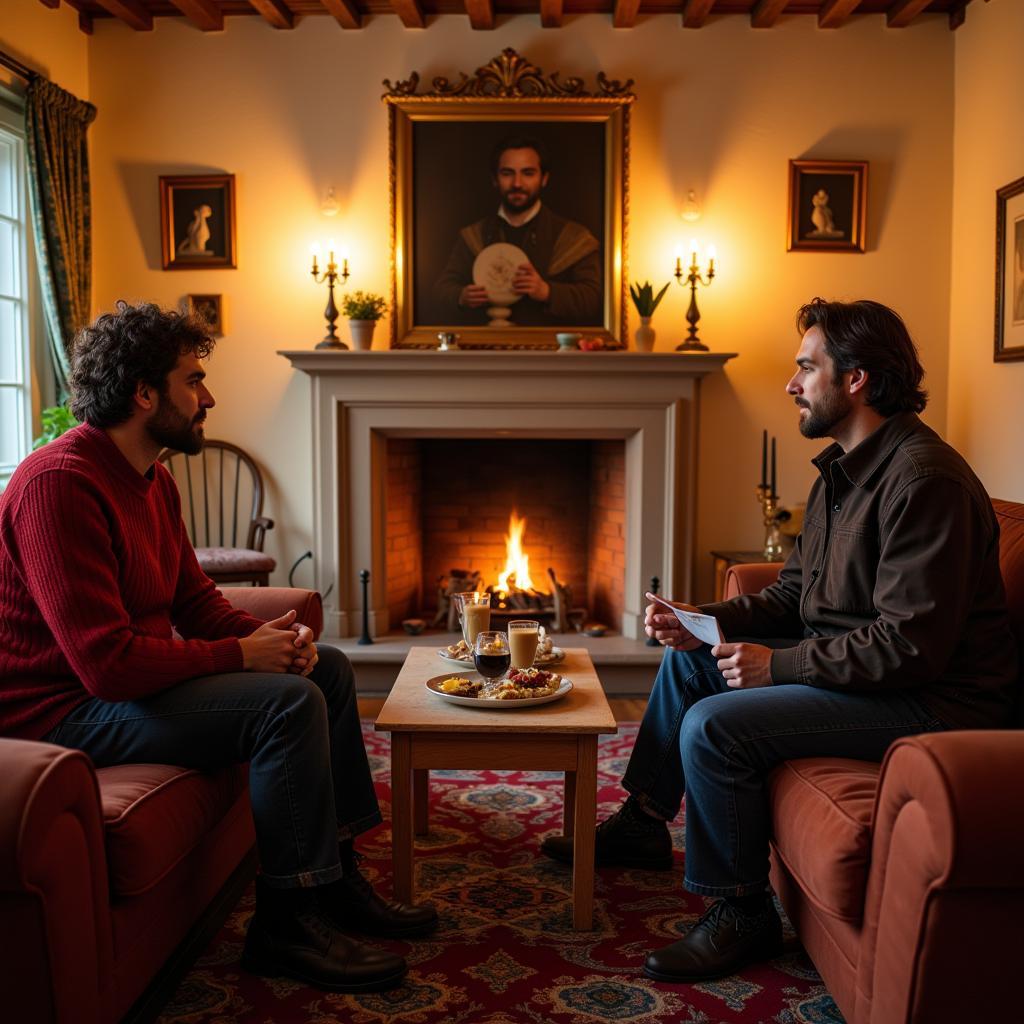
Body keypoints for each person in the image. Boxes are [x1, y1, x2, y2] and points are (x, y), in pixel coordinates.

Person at [541, 298, 1018, 983]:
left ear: (855, 379)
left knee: (714, 727)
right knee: (688, 669)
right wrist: (703, 618)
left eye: (806, 367)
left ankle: (742, 912)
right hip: (874, 675)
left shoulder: (925, 481)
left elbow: (912, 648)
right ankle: (644, 823)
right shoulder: (840, 471)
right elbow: (797, 593)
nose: (792, 384)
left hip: (934, 703)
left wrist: (779, 664)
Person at [0, 302, 437, 993]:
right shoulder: (59, 485)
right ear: (144, 394)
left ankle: (335, 880)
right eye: (193, 380)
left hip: (117, 689)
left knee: (323, 667)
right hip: (56, 709)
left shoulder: (153, 479)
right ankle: (285, 927)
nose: (208, 398)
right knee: (284, 707)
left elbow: (194, 603)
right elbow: (105, 664)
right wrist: (239, 659)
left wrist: (270, 640)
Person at [433, 135, 603, 326]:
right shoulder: (473, 235)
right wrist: (461, 296)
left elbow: (594, 299)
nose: (517, 183)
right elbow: (442, 291)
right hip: (484, 350)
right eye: (507, 173)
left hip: (550, 352)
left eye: (528, 173)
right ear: (494, 179)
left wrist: (547, 291)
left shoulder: (575, 238)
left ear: (544, 178)